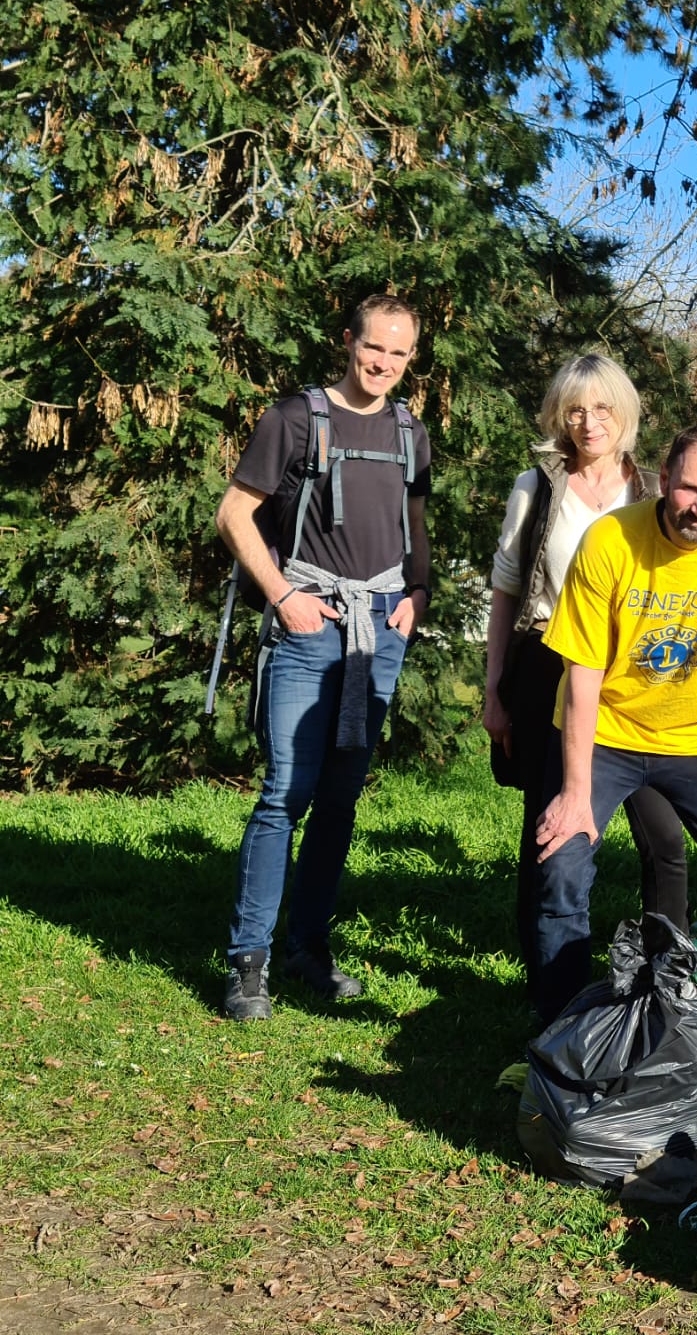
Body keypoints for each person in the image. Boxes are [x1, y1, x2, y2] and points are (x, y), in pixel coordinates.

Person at [530, 422, 697, 1023]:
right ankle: (559, 1030)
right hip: (604, 734)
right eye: (688, 490)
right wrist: (575, 793)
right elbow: (581, 675)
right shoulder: (610, 542)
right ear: (663, 479)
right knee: (563, 863)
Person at [214, 294, 431, 1020]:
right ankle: (249, 961)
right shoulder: (295, 419)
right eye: (375, 348)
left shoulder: (410, 431)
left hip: (381, 627)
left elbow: (415, 521)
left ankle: (309, 947)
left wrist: (418, 595)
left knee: (340, 798)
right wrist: (282, 597)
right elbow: (233, 514)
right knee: (287, 793)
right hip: (309, 623)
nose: (384, 364)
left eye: (399, 354)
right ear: (349, 341)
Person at [482, 353, 680, 1018]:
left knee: (663, 832)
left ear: (623, 413)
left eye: (601, 408)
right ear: (558, 416)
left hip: (634, 675)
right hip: (547, 664)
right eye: (575, 409)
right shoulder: (536, 487)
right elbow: (506, 590)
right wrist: (493, 690)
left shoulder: (653, 489)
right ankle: (547, 992)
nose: (589, 422)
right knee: (548, 828)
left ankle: (666, 983)